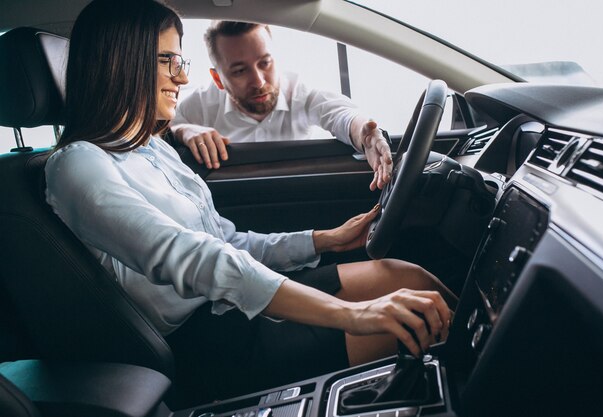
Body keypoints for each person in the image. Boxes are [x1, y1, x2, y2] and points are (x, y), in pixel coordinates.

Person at [45, 0, 455, 403]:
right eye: (168, 60)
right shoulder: (78, 165)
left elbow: (227, 242)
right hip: (206, 342)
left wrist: (322, 240)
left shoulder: (152, 148)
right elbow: (194, 257)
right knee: (407, 318)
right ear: (123, 63)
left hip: (232, 302)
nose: (181, 79)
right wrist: (355, 314)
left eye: (180, 62)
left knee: (404, 276)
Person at [170, 21, 392, 191]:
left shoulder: (300, 91)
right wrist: (181, 130)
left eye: (265, 63)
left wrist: (367, 137)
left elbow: (341, 115)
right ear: (217, 79)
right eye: (239, 71)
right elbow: (155, 129)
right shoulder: (198, 104)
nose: (258, 81)